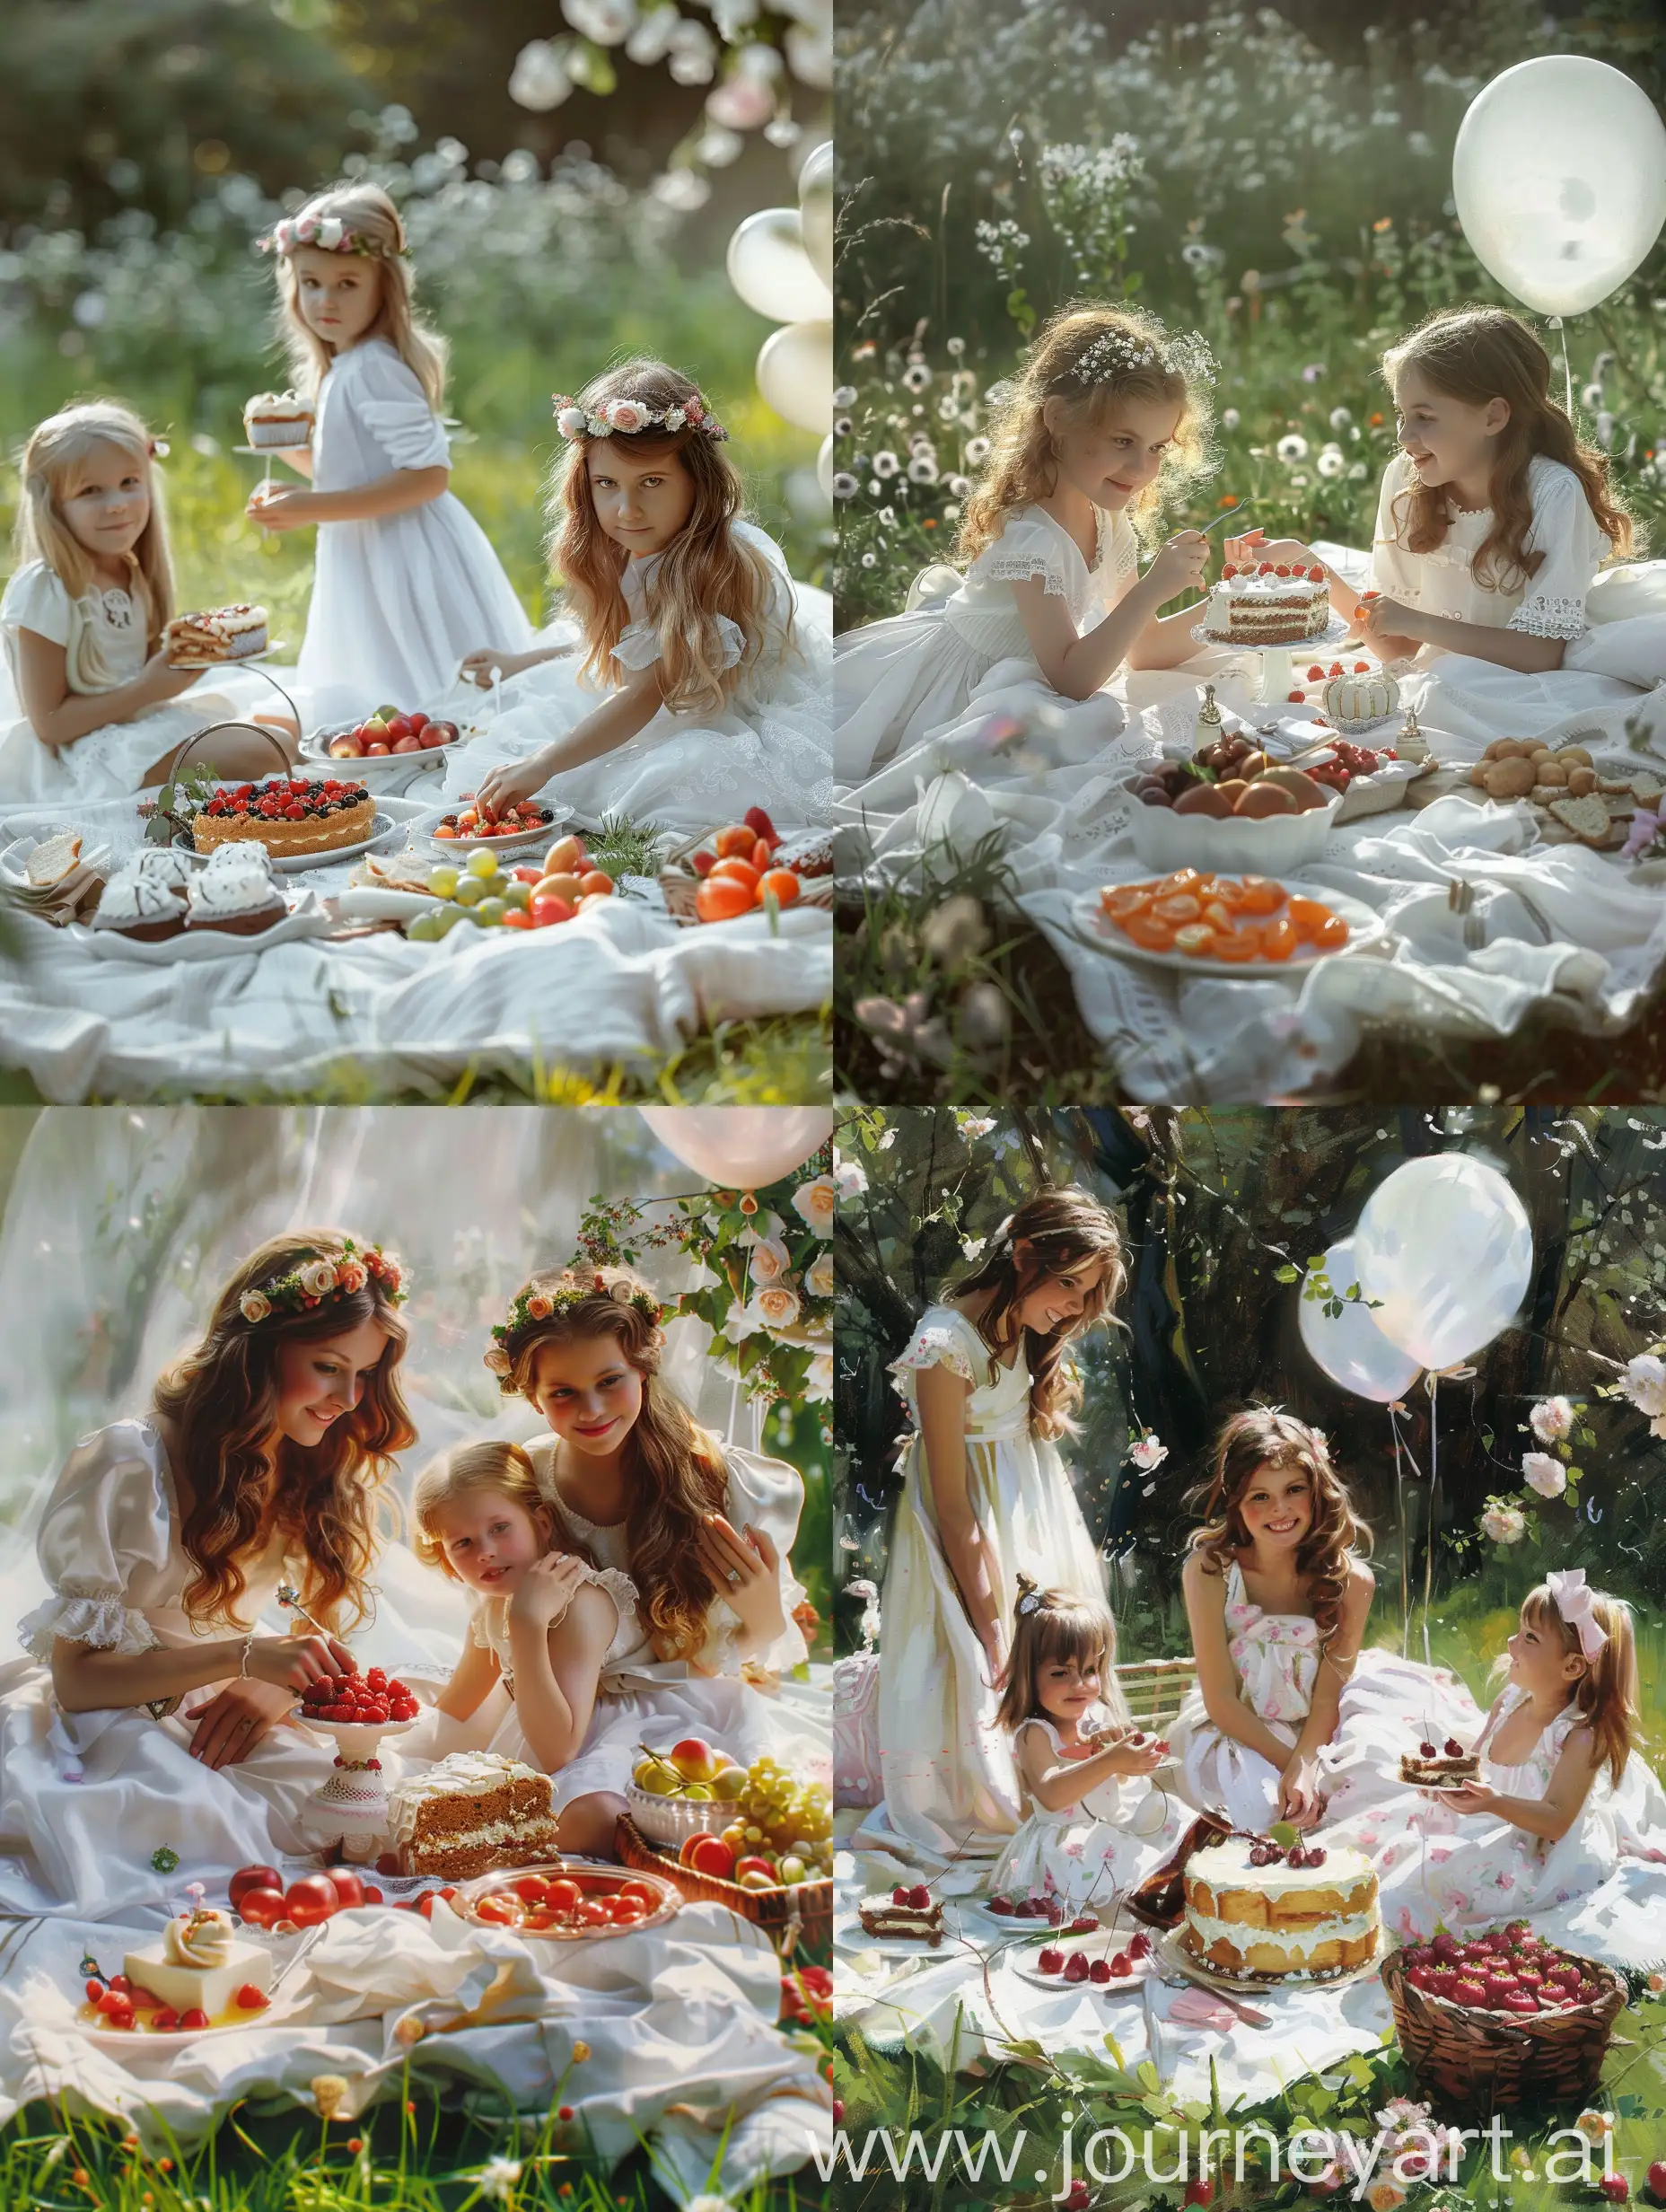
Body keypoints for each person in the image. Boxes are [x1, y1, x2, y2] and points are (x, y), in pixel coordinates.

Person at [0, 1233, 414, 1917]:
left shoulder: (309, 1461)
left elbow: (316, 1626)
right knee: (192, 1828)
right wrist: (244, 1655)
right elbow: (76, 1681)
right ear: (260, 1350)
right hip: (109, 1720)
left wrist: (271, 1690)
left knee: (365, 1802)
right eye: (328, 1366)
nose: (348, 1397)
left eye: (364, 1374)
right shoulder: (132, 1461)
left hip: (217, 1707)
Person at [445, 1265, 822, 1859]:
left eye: (611, 1381)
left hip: (683, 1706)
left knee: (726, 1814)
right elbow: (495, 1608)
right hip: (568, 1705)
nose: (591, 1409)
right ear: (534, 1398)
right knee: (583, 1821)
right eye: (563, 1393)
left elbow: (729, 1652)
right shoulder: (526, 1486)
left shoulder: (717, 1484)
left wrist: (764, 1616)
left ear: (643, 1368)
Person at [834, 303, 1216, 803]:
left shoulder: (1108, 517)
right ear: (1058, 419)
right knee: (1036, 749)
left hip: (1037, 674)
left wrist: (1235, 607)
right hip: (964, 683)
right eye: (1123, 440)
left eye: (1157, 448)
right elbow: (1073, 679)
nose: (1141, 467)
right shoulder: (1032, 538)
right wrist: (1151, 590)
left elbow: (1142, 650)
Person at [452, 358, 830, 832]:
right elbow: (626, 642)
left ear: (698, 481)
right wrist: (522, 662)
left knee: (667, 775)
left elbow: (645, 691)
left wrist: (546, 763)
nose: (627, 510)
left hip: (722, 707)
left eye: (651, 482)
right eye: (606, 484)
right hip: (661, 686)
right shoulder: (627, 546)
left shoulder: (711, 567)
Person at [864, 1189, 1126, 1863]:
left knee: (1059, 1648)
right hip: (971, 1523)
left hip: (1025, 1505)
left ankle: (1068, 1779)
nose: (1071, 1306)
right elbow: (953, 1510)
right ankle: (999, 1793)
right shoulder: (944, 1347)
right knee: (989, 1659)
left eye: (1086, 1293)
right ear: (1022, 1254)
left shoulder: (1023, 1330)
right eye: (1068, 1284)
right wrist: (990, 1624)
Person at [1287, 305, 1656, 750]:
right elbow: (1399, 647)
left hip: (1525, 689)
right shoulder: (1406, 482)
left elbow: (1542, 654)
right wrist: (1309, 568)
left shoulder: (1553, 492)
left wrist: (1419, 624)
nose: (1405, 437)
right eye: (1403, 416)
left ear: (1493, 417)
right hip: (1440, 683)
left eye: (1425, 417)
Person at [246, 181, 533, 716]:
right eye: (311, 283)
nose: (326, 300)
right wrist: (286, 452)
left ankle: (427, 734)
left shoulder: (376, 367)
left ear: (385, 288)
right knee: (379, 675)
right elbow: (353, 472)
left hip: (404, 551)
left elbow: (428, 476)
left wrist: (311, 507)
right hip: (367, 544)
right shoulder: (347, 365)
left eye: (347, 284)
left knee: (431, 683)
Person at [1336, 1571, 1666, 1946]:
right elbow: (1476, 1762)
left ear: (1572, 1667)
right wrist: (1444, 1779)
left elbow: (1556, 1820)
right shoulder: (1511, 1702)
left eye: (1530, 1637)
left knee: (1438, 1874)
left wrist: (1493, 1802)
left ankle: (1394, 1938)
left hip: (1538, 1851)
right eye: (1519, 1630)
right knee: (1394, 1842)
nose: (1511, 1642)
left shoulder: (1577, 1735)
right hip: (1489, 1818)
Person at [0, 401, 296, 803]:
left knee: (284, 733)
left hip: (135, 723)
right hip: (81, 756)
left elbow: (143, 674)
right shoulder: (46, 589)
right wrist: (148, 688)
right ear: (52, 504)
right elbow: (50, 726)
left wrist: (188, 658)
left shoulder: (131, 571)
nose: (118, 503)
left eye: (129, 482)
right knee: (264, 749)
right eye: (91, 491)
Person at [408, 1438, 638, 1826]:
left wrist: (528, 1625)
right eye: (462, 1542)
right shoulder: (494, 1601)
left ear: (542, 1523)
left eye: (500, 1527)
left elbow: (559, 1753)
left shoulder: (581, 1602)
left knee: (591, 1816)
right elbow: (458, 1703)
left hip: (603, 1736)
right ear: (447, 1561)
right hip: (538, 1724)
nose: (485, 1551)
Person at [984, 1574, 1179, 1912]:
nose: (1080, 1685)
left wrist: (1132, 1756)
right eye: (1061, 1673)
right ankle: (1134, 1907)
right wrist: (1110, 1761)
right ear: (1031, 1676)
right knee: (1113, 1868)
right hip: (1066, 1841)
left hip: (1109, 1825)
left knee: (1171, 1818)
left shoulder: (1097, 1715)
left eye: (1090, 1670)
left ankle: (1181, 1890)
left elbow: (1116, 1781)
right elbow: (1052, 1794)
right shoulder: (1035, 1733)